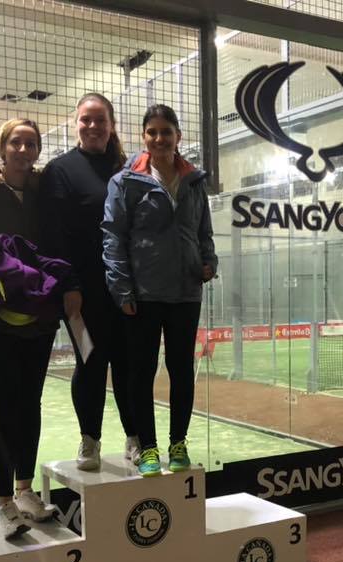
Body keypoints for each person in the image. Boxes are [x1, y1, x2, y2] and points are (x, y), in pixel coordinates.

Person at [102, 104, 217, 477]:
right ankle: (148, 448)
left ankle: (178, 443)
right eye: (152, 131)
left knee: (182, 369)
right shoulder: (125, 182)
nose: (159, 138)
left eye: (166, 131)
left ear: (177, 136)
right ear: (143, 137)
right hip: (144, 294)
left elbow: (203, 232)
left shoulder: (194, 181)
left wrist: (209, 262)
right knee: (141, 371)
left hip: (186, 292)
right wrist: (122, 289)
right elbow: (113, 237)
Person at [0, 118, 63, 538]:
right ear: (2, 147)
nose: (23, 150)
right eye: (16, 142)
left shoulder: (44, 192)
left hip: (39, 317)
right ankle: (4, 501)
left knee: (30, 404)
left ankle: (25, 491)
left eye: (31, 143)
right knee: (4, 407)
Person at [40, 93, 139, 471]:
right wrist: (69, 287)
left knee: (129, 365)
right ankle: (90, 441)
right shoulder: (60, 170)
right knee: (90, 363)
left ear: (112, 125)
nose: (93, 126)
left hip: (127, 292)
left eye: (100, 120)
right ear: (75, 124)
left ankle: (136, 438)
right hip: (81, 295)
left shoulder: (130, 168)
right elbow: (54, 237)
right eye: (86, 119)